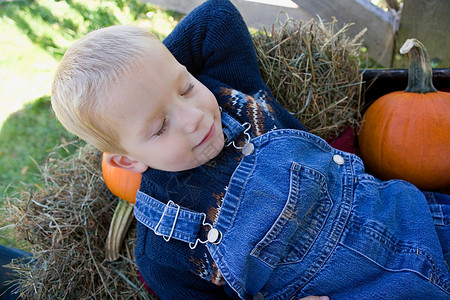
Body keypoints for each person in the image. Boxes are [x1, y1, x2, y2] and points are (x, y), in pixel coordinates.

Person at [51, 0, 450, 299]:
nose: (192, 117)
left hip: (412, 217)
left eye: (186, 86)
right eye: (159, 126)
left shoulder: (234, 91)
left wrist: (147, 72)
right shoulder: (162, 251)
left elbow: (216, 14)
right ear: (126, 160)